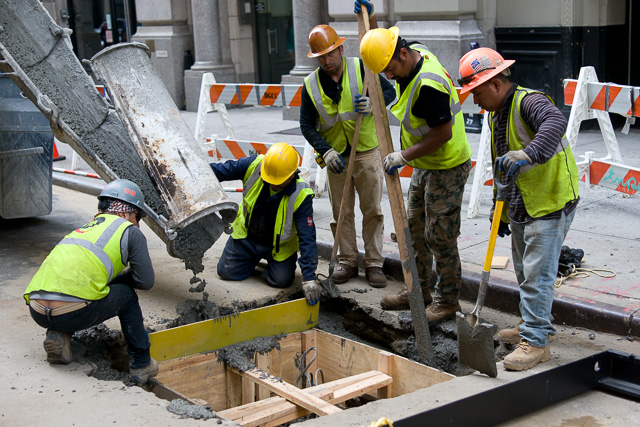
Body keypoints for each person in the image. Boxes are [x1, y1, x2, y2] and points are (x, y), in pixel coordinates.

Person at [458, 47, 579, 371]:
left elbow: (555, 122)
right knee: (526, 272)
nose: (475, 102)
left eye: (477, 93)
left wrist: (528, 153)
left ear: (495, 83)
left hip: (551, 200)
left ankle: (537, 342)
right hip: (524, 202)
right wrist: (501, 209)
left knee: (537, 276)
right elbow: (503, 165)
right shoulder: (496, 115)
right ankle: (534, 324)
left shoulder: (530, 101)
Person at [356, 0, 472, 323]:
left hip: (447, 164)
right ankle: (418, 289)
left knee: (441, 234)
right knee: (415, 228)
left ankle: (448, 300)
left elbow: (443, 134)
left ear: (404, 55)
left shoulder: (429, 85)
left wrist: (403, 157)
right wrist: (371, 19)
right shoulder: (408, 52)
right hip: (426, 164)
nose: (389, 76)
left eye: (390, 69)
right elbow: (384, 45)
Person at [24, 179, 158, 384]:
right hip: (72, 312)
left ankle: (57, 336)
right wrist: (122, 279)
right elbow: (145, 281)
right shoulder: (129, 231)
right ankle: (141, 363)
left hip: (38, 310)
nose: (138, 223)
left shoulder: (85, 229)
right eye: (137, 217)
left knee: (79, 291)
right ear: (125, 213)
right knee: (126, 296)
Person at [300, 24, 396, 289]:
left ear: (341, 49)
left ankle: (374, 264)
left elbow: (390, 91)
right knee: (341, 212)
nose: (327, 61)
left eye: (331, 54)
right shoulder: (310, 85)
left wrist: (375, 102)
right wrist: (325, 150)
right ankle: (347, 261)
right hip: (336, 159)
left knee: (372, 210)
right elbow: (306, 125)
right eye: (321, 57)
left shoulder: (362, 67)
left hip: (365, 152)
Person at [211, 142, 320, 305]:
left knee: (281, 281)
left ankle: (269, 265)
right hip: (247, 238)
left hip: (278, 249)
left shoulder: (301, 195)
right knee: (226, 272)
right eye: (269, 179)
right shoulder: (253, 165)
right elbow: (219, 171)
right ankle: (250, 259)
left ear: (292, 175)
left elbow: (307, 237)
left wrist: (309, 277)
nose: (273, 184)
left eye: (279, 181)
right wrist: (192, 170)